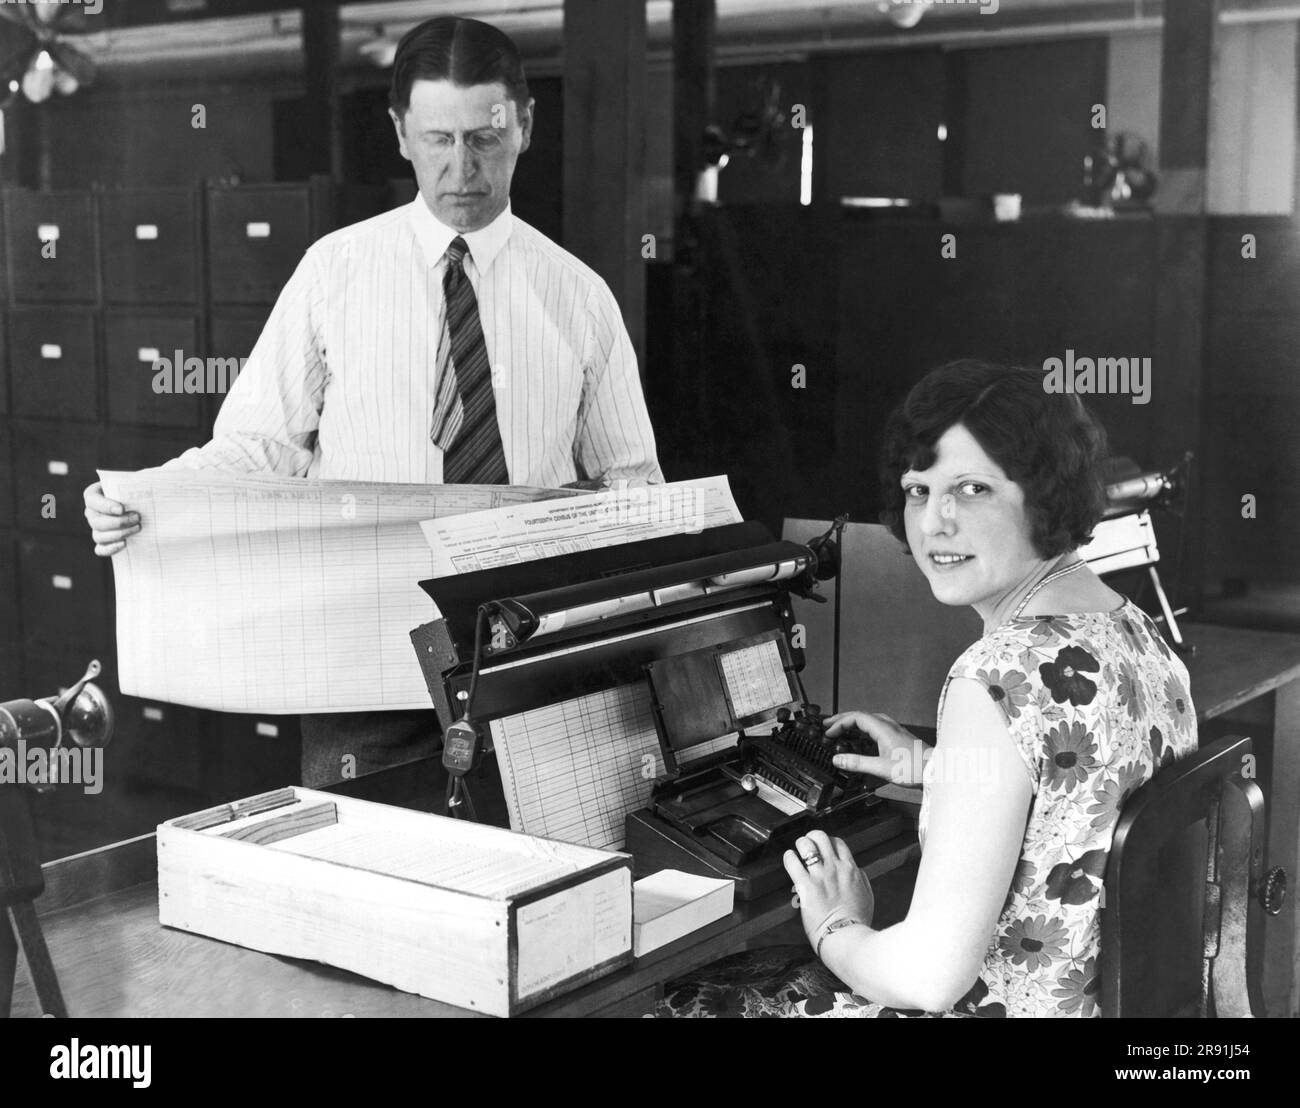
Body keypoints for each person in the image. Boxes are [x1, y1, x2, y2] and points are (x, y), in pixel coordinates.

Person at [81, 15, 663, 787]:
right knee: (360, 884)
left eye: (485, 138)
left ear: (524, 124)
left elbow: (633, 486)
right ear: (400, 133)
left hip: (529, 674)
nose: (462, 168)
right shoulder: (335, 272)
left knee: (527, 890)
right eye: (437, 140)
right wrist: (144, 502)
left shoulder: (580, 299)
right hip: (363, 677)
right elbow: (258, 452)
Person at [657, 360, 1197, 1018]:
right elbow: (1076, 797)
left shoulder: (993, 678)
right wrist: (938, 767)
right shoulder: (1137, 631)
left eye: (972, 489)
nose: (936, 521)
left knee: (692, 998)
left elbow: (927, 982)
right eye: (920, 489)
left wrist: (837, 925)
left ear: (1045, 496)